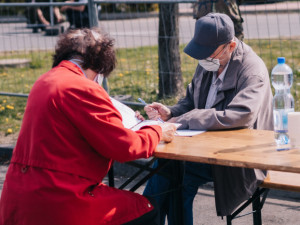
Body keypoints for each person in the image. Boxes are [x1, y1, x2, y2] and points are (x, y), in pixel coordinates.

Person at [0, 28, 177, 225]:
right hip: (59, 200)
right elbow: (125, 147)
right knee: (145, 209)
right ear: (101, 66)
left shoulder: (45, 80)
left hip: (20, 196)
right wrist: (156, 130)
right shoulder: (83, 87)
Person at [143, 13, 273, 225]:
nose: (203, 60)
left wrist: (188, 118)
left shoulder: (252, 70)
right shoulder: (210, 60)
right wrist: (170, 112)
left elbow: (241, 115)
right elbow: (191, 101)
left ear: (230, 46)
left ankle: (145, 218)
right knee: (169, 168)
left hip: (240, 157)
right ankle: (148, 218)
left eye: (208, 54)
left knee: (176, 173)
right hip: (204, 149)